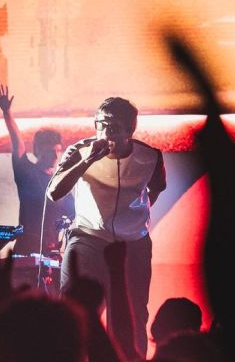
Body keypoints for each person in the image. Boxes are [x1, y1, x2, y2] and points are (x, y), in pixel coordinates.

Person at [46, 97, 166, 357]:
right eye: (100, 125)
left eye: (113, 127)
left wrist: (136, 216)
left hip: (133, 243)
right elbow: (53, 193)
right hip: (87, 237)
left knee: (131, 314)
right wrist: (86, 161)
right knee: (74, 309)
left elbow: (157, 188)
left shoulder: (150, 156)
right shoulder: (79, 150)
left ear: (129, 131)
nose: (104, 133)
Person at [0, 84, 74, 256]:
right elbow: (18, 145)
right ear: (37, 150)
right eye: (49, 151)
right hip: (26, 251)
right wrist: (7, 113)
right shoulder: (27, 174)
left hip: (52, 254)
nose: (55, 156)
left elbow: (74, 216)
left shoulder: (62, 185)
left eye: (57, 151)